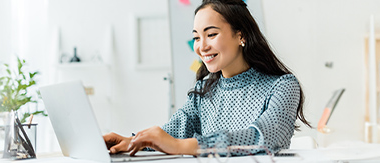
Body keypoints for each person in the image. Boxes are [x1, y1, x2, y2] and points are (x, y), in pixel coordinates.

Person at [104, 0, 311, 156]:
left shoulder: (282, 86)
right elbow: (171, 134)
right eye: (196, 37)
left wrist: (182, 146)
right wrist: (131, 141)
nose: (201, 47)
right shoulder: (203, 90)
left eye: (211, 34)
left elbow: (264, 138)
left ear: (241, 36)